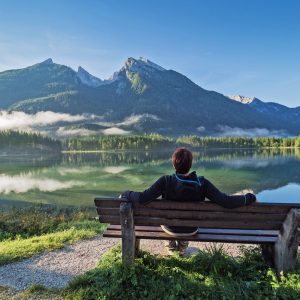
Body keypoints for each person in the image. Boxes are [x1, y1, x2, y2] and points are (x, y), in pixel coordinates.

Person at [121, 147, 256, 255]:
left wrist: (127, 193)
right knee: (187, 219)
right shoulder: (202, 183)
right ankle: (182, 247)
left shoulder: (165, 181)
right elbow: (226, 201)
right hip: (191, 228)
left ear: (174, 164)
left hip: (170, 228)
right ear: (190, 164)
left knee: (167, 220)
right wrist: (248, 198)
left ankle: (171, 247)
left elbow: (143, 198)